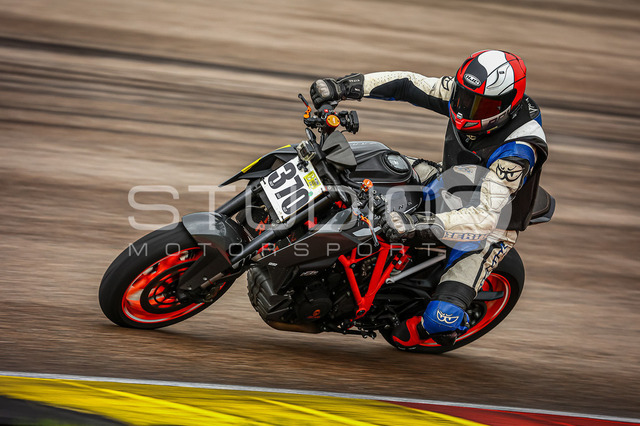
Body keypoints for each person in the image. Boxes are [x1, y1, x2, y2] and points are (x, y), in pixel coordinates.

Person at [309, 50, 548, 348]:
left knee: (437, 323)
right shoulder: (462, 95)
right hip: (450, 181)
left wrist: (416, 223)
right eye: (464, 97)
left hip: (487, 227)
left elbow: (484, 217)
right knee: (368, 163)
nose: (466, 108)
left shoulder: (519, 150)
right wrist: (345, 86)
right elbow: (406, 84)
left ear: (507, 105)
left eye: (481, 105)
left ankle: (442, 317)